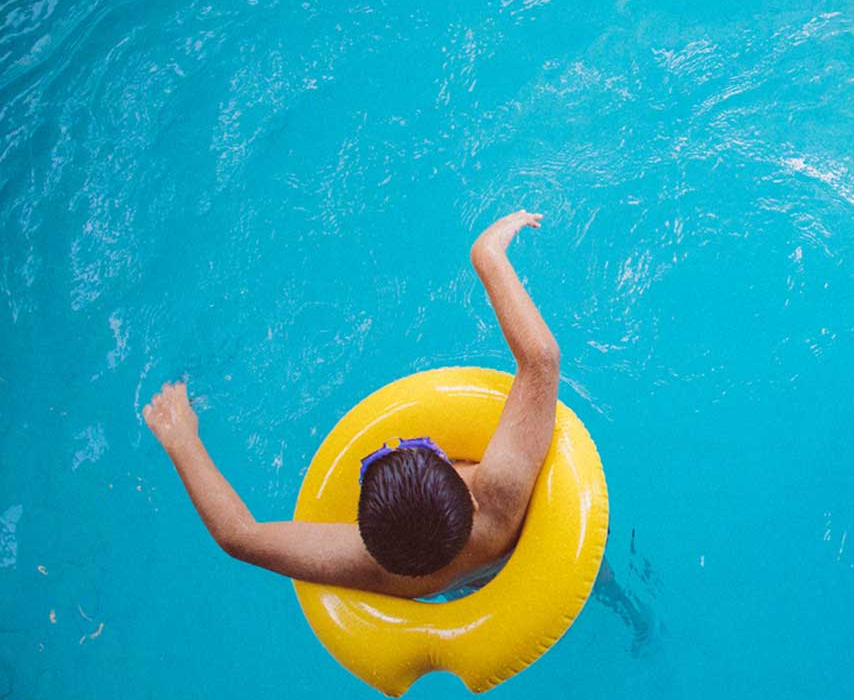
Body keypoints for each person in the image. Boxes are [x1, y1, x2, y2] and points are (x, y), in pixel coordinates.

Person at [142, 210, 559, 598]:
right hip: (530, 551)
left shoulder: (372, 568)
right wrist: (487, 255)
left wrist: (182, 439)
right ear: (469, 500)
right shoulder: (500, 496)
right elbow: (540, 358)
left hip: (469, 590)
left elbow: (238, 535)